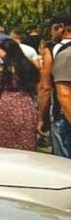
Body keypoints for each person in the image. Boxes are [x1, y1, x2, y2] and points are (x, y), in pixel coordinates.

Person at [0, 38, 41, 150]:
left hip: (6, 106)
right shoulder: (29, 67)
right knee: (25, 139)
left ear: (6, 52)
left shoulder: (2, 69)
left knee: (4, 142)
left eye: (0, 51)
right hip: (26, 104)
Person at [43, 13, 71, 158]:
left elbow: (46, 87)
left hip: (63, 114)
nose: (51, 33)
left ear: (61, 28)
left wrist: (41, 117)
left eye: (52, 29)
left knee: (63, 165)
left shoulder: (54, 49)